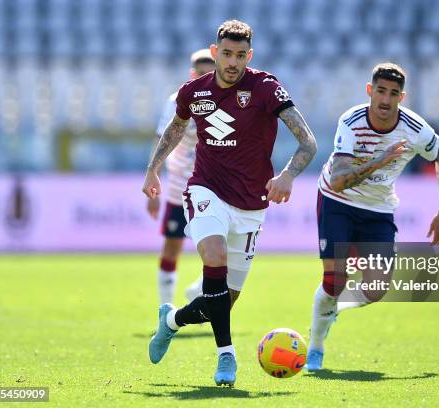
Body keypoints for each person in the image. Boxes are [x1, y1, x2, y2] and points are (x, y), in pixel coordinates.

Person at [142, 20, 317, 386]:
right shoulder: (193, 92)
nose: (233, 62)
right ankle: (227, 356)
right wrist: (153, 170)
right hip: (206, 190)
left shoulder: (266, 88)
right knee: (214, 257)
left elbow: (308, 142)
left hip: (252, 204)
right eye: (226, 54)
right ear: (214, 52)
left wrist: (286, 176)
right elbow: (175, 129)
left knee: (222, 299)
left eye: (240, 55)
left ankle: (171, 320)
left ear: (249, 56)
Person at [306, 62, 439, 371]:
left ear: (402, 97)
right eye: (381, 92)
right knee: (334, 281)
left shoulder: (415, 129)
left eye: (394, 94)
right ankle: (315, 348)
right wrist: (380, 160)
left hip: (378, 208)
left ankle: (331, 310)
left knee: (376, 290)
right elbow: (338, 180)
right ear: (370, 91)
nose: (386, 100)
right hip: (338, 201)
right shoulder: (351, 121)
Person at [148, 49, 215, 306]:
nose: (205, 79)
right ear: (192, 74)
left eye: (210, 74)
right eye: (200, 74)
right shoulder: (177, 100)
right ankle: (165, 309)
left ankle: (198, 290)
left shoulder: (224, 99)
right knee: (172, 247)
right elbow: (160, 139)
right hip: (179, 185)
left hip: (212, 184)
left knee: (222, 247)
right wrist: (153, 177)